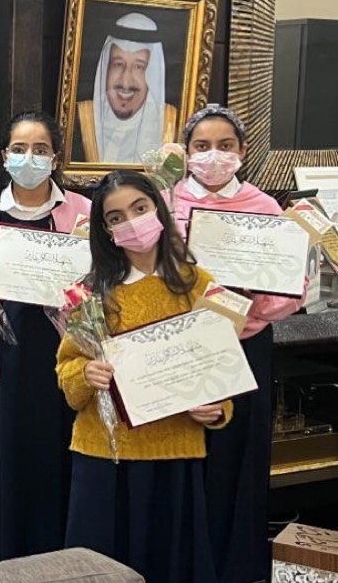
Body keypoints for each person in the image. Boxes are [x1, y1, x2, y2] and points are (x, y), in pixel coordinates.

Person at [56, 170, 231, 582]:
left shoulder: (198, 285)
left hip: (174, 454)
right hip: (106, 457)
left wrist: (217, 408)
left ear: (159, 209)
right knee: (98, 570)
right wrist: (86, 373)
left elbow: (221, 367)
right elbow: (66, 369)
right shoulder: (88, 293)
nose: (132, 223)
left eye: (140, 208)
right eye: (116, 217)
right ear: (106, 229)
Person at [170, 104, 302, 583]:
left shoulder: (265, 207)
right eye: (202, 146)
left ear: (242, 151)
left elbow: (291, 287)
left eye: (225, 146)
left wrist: (244, 313)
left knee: (236, 457)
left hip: (245, 346)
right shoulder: (163, 204)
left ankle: (232, 568)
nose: (214, 156)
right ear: (185, 152)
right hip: (180, 346)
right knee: (180, 452)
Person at [0, 110, 91, 565]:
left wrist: (78, 287)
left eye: (40, 149)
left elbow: (101, 281)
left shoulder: (82, 211)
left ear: (55, 158)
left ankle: (57, 562)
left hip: (59, 360)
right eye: (19, 149)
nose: (28, 158)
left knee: (52, 466)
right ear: (4, 156)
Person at [76, 12, 178, 163]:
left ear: (152, 73)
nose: (125, 82)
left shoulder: (171, 125)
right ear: (106, 68)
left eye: (139, 67)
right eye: (118, 64)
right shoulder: (79, 120)